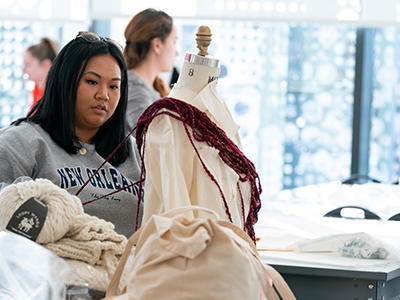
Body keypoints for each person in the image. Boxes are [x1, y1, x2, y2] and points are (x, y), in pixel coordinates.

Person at [0, 32, 142, 238]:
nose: (104, 94)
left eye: (113, 86)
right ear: (64, 82)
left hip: (132, 268)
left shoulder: (135, 153)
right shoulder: (21, 143)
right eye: (92, 82)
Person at [135, 27, 261, 243]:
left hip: (227, 257)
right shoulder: (168, 119)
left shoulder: (221, 114)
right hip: (188, 262)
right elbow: (177, 217)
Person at [123, 8, 178, 133]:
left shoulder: (149, 87)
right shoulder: (134, 88)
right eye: (174, 42)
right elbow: (158, 139)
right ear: (157, 45)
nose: (177, 52)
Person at [23, 37, 59, 108]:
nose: (23, 69)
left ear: (46, 64)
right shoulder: (36, 89)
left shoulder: (56, 95)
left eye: (28, 64)